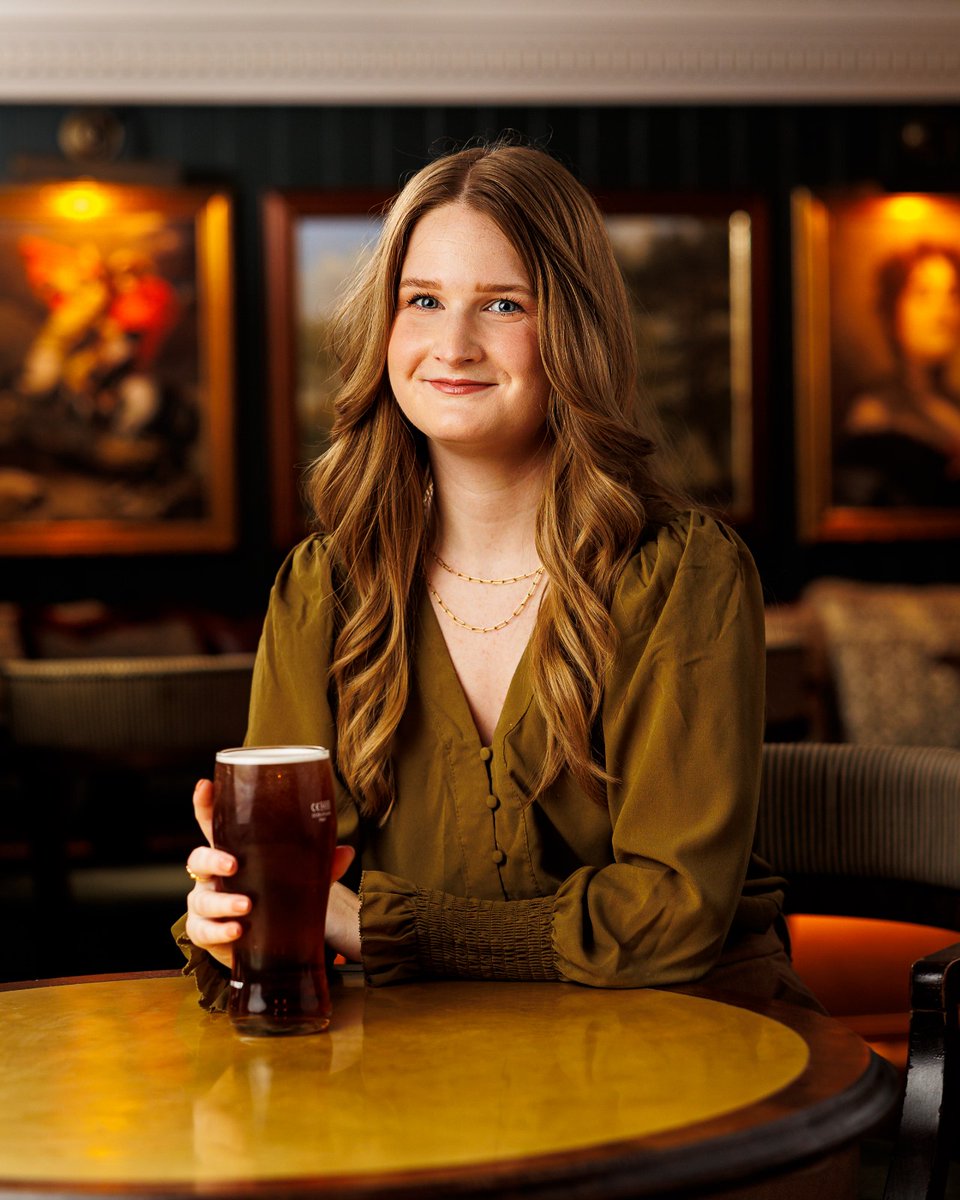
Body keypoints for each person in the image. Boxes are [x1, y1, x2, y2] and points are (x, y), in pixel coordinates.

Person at [176, 141, 819, 1012]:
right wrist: (228, 919)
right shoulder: (325, 587)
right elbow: (290, 894)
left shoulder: (682, 574)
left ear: (574, 330)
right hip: (433, 1063)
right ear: (387, 329)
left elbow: (672, 917)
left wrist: (374, 928)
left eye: (505, 303)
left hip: (688, 1048)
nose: (453, 343)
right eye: (425, 300)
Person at [835, 242, 960, 507]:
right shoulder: (874, 411)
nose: (943, 311)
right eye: (923, 294)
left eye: (952, 294)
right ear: (893, 310)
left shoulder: (953, 404)